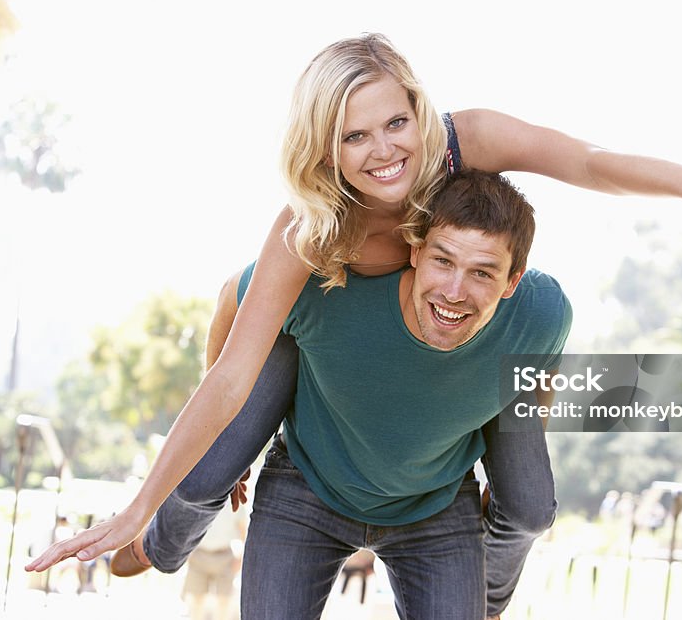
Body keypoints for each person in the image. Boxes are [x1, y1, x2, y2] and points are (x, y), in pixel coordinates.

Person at [25, 34, 682, 616]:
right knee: (208, 465)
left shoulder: (466, 143)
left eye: (396, 122)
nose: (385, 150)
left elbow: (585, 161)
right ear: (326, 145)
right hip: (312, 350)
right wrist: (138, 505)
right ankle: (162, 543)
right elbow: (230, 347)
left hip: (437, 369)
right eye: (355, 136)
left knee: (527, 499)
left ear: (419, 109)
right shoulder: (313, 228)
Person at [235, 169, 571, 618]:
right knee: (201, 479)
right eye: (444, 261)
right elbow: (230, 298)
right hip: (309, 482)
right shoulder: (325, 282)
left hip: (438, 502)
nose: (454, 291)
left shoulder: (544, 311)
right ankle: (157, 544)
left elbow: (542, 369)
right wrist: (224, 437)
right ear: (416, 250)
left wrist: (520, 456)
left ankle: (485, 604)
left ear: (512, 281)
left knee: (532, 509)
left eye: (482, 273)